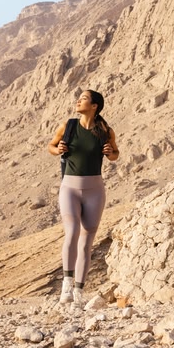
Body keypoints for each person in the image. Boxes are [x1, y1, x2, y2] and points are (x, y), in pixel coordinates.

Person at [47, 89, 119, 305]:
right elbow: (50, 146)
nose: (78, 100)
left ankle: (79, 290)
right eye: (78, 97)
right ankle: (66, 287)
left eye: (84, 98)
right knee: (72, 232)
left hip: (95, 191)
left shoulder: (105, 131)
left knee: (87, 241)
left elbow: (115, 154)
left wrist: (110, 152)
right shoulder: (68, 126)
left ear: (95, 106)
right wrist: (58, 149)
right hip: (69, 188)